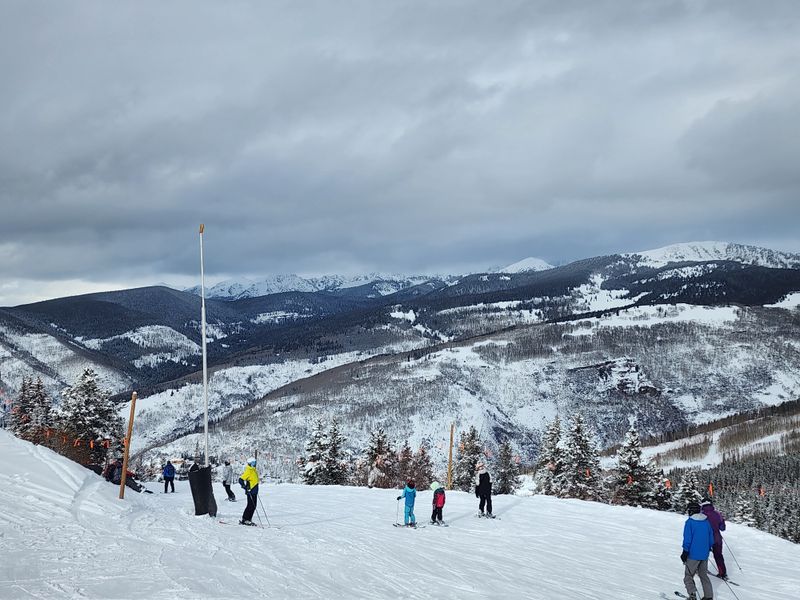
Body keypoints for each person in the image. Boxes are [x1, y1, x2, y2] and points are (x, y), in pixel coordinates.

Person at [681, 502, 715, 600]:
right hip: (704, 554)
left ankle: (692, 595)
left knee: (688, 575)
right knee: (703, 575)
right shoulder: (706, 521)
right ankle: (709, 596)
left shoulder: (690, 522)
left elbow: (687, 539)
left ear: (691, 511)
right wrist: (708, 548)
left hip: (693, 554)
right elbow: (711, 538)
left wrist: (685, 551)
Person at [701, 498, 727, 580]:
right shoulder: (717, 514)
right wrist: (722, 521)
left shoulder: (701, 514)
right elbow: (722, 528)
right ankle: (722, 573)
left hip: (705, 538)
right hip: (717, 538)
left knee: (703, 555)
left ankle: (701, 570)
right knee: (718, 556)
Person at [238, 457, 260, 526]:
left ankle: (248, 519)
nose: (255, 464)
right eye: (253, 463)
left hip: (254, 491)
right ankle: (245, 519)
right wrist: (244, 487)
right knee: (250, 506)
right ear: (250, 463)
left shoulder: (253, 470)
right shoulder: (248, 470)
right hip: (250, 491)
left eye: (255, 463)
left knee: (253, 506)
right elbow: (240, 479)